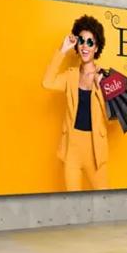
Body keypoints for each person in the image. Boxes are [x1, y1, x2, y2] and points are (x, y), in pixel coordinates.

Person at [42, 15, 113, 191]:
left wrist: (100, 89)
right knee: (72, 204)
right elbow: (47, 82)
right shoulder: (70, 76)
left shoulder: (105, 77)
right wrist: (62, 49)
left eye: (90, 42)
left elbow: (111, 118)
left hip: (96, 150)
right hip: (72, 149)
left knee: (105, 200)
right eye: (81, 41)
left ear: (97, 47)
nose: (85, 46)